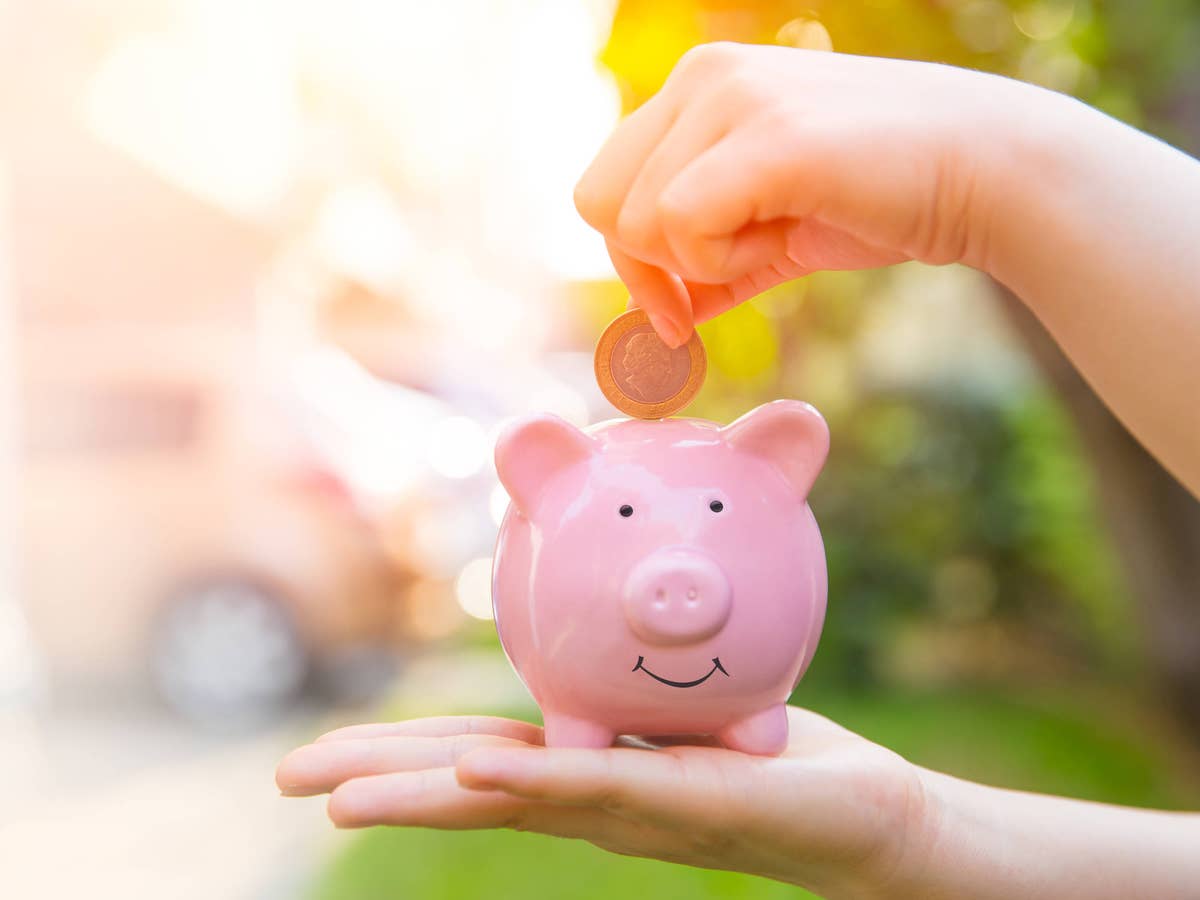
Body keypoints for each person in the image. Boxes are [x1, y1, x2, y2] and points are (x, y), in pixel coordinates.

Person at [276, 43, 1200, 898]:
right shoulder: (563, 466)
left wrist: (988, 172)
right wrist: (914, 837)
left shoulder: (762, 456)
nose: (679, 578)